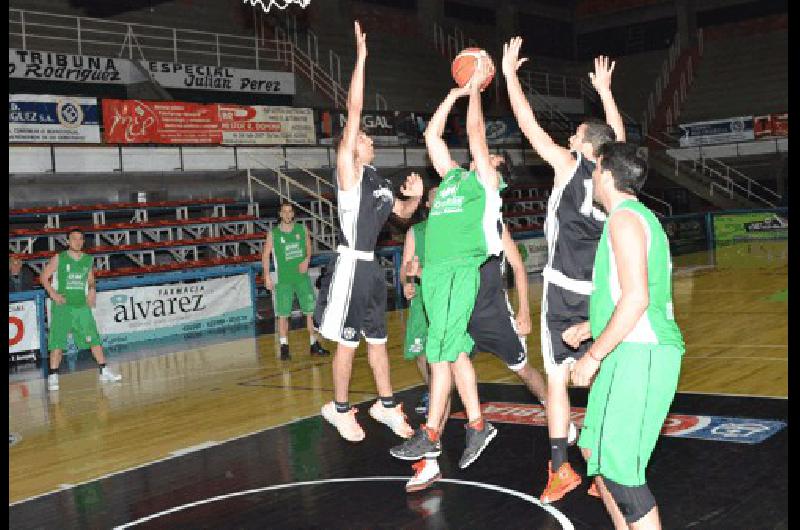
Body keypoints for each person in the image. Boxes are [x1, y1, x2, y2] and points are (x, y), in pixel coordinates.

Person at [502, 37, 626, 503]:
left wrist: (511, 77)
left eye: (574, 134)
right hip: (600, 294)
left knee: (557, 379)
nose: (569, 137)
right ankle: (603, 468)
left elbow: (527, 124)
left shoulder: (567, 167)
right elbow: (617, 137)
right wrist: (607, 94)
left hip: (562, 291)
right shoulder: (614, 178)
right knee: (601, 376)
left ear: (582, 145)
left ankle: (561, 469)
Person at [389, 58, 502, 472]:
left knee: (439, 352)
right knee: (453, 354)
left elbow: (474, 133)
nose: (477, 158)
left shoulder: (485, 184)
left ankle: (431, 435)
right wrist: (452, 93)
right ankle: (476, 425)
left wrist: (474, 91)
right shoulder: (451, 177)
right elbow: (431, 134)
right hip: (434, 276)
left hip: (458, 271)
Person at [564, 142, 684, 529]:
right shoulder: (630, 217)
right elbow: (628, 294)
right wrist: (592, 327)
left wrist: (593, 354)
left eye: (596, 170)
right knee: (593, 448)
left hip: (641, 353)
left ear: (608, 175)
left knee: (623, 474)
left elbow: (636, 298)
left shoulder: (625, 219)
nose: (592, 178)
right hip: (626, 347)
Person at [314, 21, 422, 443]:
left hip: (374, 269)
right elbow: (354, 108)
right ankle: (339, 408)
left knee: (378, 341)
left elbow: (402, 215)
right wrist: (360, 59)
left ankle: (386, 404)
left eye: (367, 137)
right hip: (350, 265)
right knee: (348, 344)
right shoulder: (350, 172)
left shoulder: (377, 178)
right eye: (361, 136)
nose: (366, 137)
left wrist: (414, 197)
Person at [400, 221, 549, 492]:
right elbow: (443, 274)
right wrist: (417, 273)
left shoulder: (493, 224)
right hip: (461, 314)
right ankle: (430, 460)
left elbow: (517, 265)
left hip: (493, 317)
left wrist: (524, 309)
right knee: (442, 379)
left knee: (524, 370)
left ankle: (554, 411)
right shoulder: (451, 229)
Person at [40, 228, 122, 391]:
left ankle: (104, 370)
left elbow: (91, 279)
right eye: (74, 239)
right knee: (57, 340)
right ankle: (53, 375)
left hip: (81, 305)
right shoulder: (59, 258)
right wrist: (52, 293)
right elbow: (43, 276)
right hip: (62, 306)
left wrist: (92, 290)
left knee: (94, 338)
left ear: (83, 241)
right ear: (68, 241)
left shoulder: (87, 260)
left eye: (80, 239)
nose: (77, 242)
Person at [263, 201, 330, 360]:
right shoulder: (274, 234)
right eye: (284, 212)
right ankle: (284, 346)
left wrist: (307, 259)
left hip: (301, 279)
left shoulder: (302, 229)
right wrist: (266, 275)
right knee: (283, 315)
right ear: (280, 214)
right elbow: (265, 255)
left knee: (310, 312)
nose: (287, 214)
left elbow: (308, 248)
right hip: (283, 280)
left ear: (293, 213)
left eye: (290, 211)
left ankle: (314, 344)